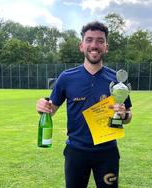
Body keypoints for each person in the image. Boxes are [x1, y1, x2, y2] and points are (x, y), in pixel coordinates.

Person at [36, 21, 132, 188]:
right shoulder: (66, 77)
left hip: (107, 153)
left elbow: (129, 115)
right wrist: (42, 107)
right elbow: (50, 110)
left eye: (100, 41)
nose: (94, 45)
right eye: (89, 40)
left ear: (106, 47)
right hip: (76, 152)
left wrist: (124, 115)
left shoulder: (116, 80)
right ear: (81, 46)